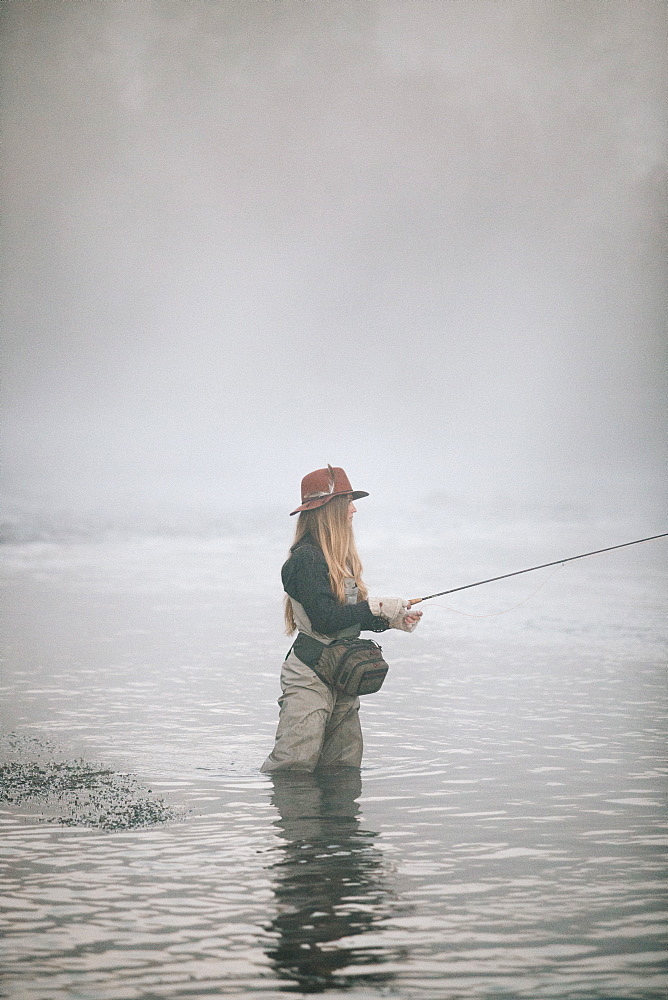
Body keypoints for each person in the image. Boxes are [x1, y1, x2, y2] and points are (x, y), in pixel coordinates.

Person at [261, 465, 422, 773]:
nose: (354, 509)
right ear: (329, 509)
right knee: (292, 767)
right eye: (347, 501)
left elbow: (345, 618)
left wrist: (391, 620)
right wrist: (375, 607)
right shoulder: (306, 559)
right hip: (309, 675)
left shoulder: (339, 557)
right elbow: (324, 620)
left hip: (343, 674)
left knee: (343, 767)